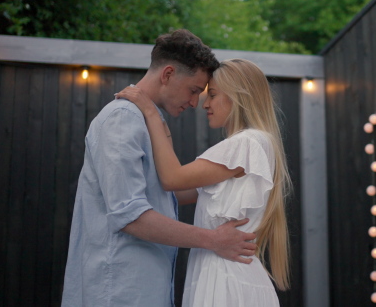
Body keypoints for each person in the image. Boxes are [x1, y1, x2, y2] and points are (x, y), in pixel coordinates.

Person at [61, 30, 257, 307]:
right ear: (167, 74)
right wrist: (213, 239)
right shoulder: (122, 120)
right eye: (193, 90)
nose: (194, 103)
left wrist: (235, 183)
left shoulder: (146, 122)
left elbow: (164, 194)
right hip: (116, 291)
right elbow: (130, 215)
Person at [116, 58, 291, 306]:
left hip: (226, 280)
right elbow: (174, 193)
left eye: (213, 95)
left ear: (238, 97)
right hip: (224, 274)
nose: (205, 104)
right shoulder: (253, 146)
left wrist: (150, 112)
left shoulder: (246, 143)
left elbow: (171, 179)